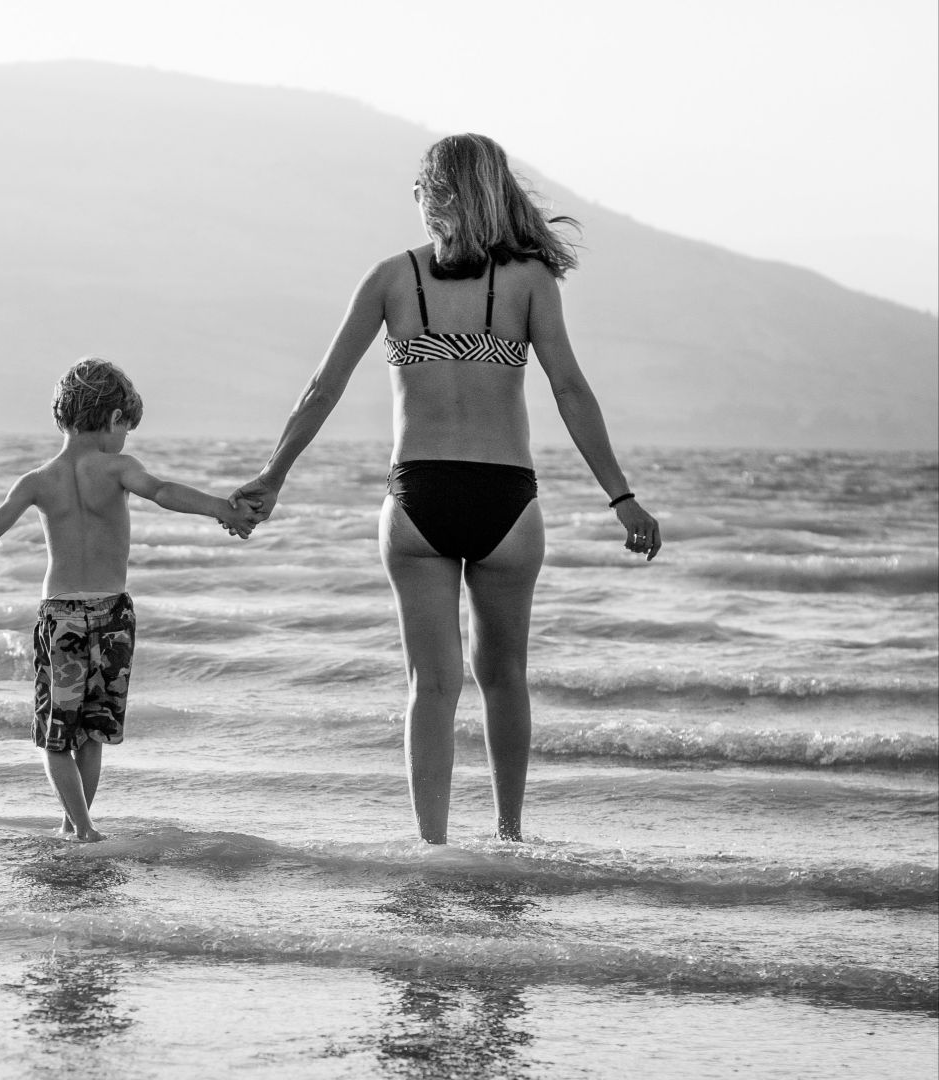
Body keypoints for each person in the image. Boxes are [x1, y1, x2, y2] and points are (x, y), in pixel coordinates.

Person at [228, 133, 662, 844]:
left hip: (418, 500)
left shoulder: (392, 278)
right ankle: (510, 837)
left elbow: (320, 390)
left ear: (437, 195)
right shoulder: (527, 282)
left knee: (431, 686)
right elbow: (570, 390)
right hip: (508, 504)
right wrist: (622, 498)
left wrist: (274, 478)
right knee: (505, 677)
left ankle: (432, 847)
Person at [0, 359, 258, 842]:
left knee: (56, 733)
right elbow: (164, 492)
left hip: (61, 616)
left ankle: (74, 824)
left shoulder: (37, 481)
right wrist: (221, 509)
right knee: (93, 730)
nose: (126, 439)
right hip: (112, 616)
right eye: (128, 428)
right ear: (113, 420)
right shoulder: (120, 468)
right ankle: (83, 827)